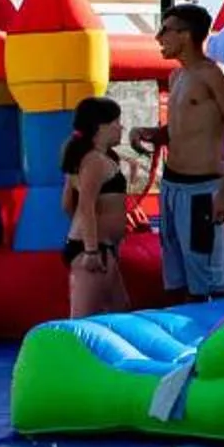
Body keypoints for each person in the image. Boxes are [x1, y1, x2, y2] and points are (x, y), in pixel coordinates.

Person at [145, 4, 224, 301]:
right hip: (171, 185)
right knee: (174, 274)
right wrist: (155, 134)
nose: (158, 37)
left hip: (202, 191)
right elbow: (180, 128)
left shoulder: (215, 74)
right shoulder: (177, 77)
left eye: (165, 30)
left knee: (209, 278)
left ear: (186, 35)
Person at [60, 97, 132, 319]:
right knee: (82, 321)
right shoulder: (94, 161)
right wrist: (91, 248)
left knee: (122, 313)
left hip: (100, 247)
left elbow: (67, 204)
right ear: (101, 127)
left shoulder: (96, 157)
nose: (121, 127)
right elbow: (85, 205)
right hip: (91, 250)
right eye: (117, 122)